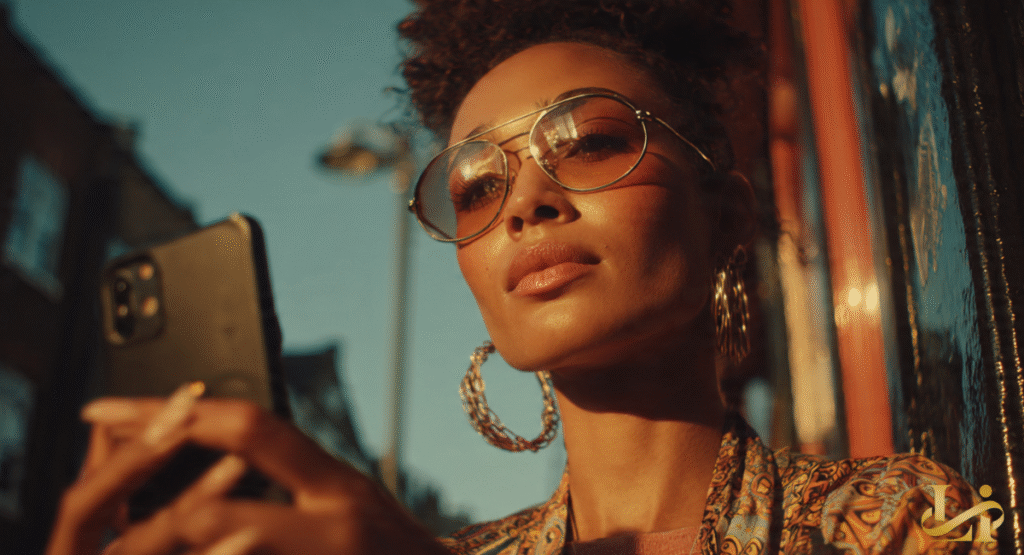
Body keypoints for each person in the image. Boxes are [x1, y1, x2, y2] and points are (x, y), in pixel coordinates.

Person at [46, 1, 995, 554]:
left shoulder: (897, 522)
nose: (525, 202)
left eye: (589, 143)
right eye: (475, 186)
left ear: (727, 216)